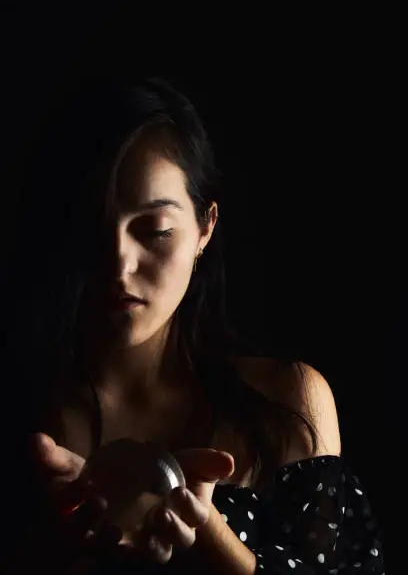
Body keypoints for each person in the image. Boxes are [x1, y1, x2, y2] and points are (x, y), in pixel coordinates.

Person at [1, 76, 385, 573]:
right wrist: (52, 547)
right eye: (94, 229)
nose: (119, 265)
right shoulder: (24, 411)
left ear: (205, 229)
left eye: (155, 231)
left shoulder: (285, 406)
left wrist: (209, 530)